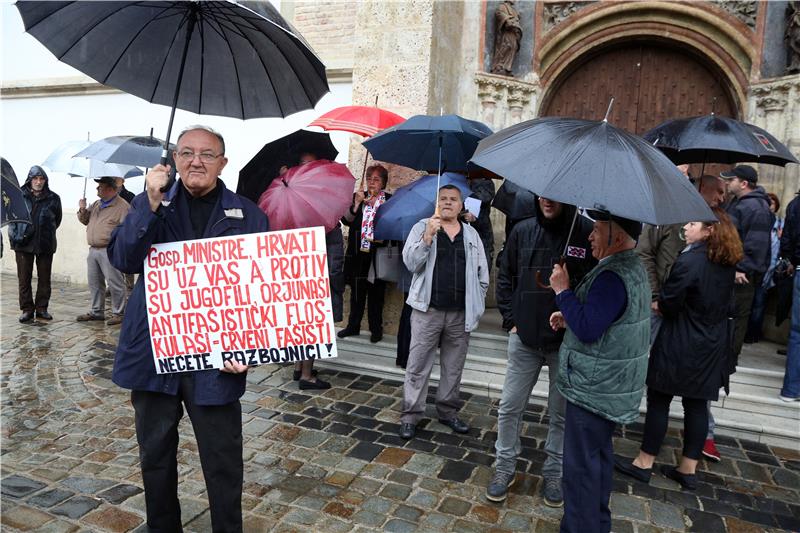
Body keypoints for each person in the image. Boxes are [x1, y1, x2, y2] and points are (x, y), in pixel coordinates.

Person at [108, 125, 267, 532]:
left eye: (207, 154)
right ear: (174, 159)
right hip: (154, 354)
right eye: (187, 152)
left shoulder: (249, 214)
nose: (196, 161)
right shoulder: (153, 204)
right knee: (155, 456)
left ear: (223, 163)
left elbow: (262, 293)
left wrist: (247, 348)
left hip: (216, 360)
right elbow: (125, 257)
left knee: (223, 461)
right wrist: (150, 200)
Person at [615, 208, 742, 490]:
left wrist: (659, 304)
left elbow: (670, 301)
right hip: (711, 344)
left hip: (681, 341)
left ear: (710, 230)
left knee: (659, 399)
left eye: (693, 223)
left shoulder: (691, 261)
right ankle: (688, 469)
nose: (685, 227)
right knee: (696, 405)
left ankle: (644, 463)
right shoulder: (726, 262)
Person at [488, 197, 595, 506]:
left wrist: (575, 313)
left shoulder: (585, 233)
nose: (546, 199)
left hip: (565, 343)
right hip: (524, 339)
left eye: (553, 195)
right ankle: (504, 466)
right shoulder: (523, 230)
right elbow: (505, 275)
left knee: (560, 414)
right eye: (541, 193)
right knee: (510, 406)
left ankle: (554, 471)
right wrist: (511, 319)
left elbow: (592, 286)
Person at [548, 211, 649, 533]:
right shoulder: (632, 268)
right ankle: (596, 525)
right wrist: (570, 315)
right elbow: (608, 321)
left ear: (616, 237)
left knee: (580, 472)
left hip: (593, 389)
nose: (590, 236)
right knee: (598, 464)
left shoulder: (612, 275)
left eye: (597, 230)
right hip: (608, 386)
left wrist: (562, 291)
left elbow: (590, 328)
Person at [398, 184, 489, 439]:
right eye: (443, 199)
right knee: (417, 366)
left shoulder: (472, 235)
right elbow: (411, 263)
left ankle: (448, 412)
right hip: (428, 311)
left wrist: (478, 303)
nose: (448, 203)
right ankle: (410, 415)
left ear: (462, 206)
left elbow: (483, 274)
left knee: (453, 367)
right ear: (437, 203)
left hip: (460, 314)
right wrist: (427, 237)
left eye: (453, 199)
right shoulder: (422, 227)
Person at [721, 165, 775, 360]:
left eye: (731, 180)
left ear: (744, 183)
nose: (726, 183)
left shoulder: (756, 208)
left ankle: (727, 364)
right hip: (728, 271)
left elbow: (756, 246)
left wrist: (740, 269)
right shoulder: (737, 202)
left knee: (734, 322)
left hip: (741, 277)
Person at [338, 164, 391, 343]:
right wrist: (357, 203)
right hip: (358, 253)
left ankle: (376, 329)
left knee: (377, 293)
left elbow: (394, 223)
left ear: (383, 182)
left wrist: (378, 209)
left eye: (376, 179)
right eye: (369, 178)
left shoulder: (389, 200)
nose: (372, 182)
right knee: (357, 291)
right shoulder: (358, 197)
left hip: (378, 254)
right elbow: (346, 220)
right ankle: (353, 326)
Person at [8, 165, 62, 322]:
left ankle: (42, 308)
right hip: (23, 243)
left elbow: (57, 220)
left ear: (45, 181)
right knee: (24, 279)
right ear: (30, 180)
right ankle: (26, 309)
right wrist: (16, 236)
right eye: (35, 178)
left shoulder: (54, 198)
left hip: (45, 243)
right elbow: (12, 219)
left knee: (45, 278)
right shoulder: (18, 196)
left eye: (41, 179)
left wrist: (45, 232)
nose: (38, 182)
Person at [76, 176, 129, 325]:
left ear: (111, 189)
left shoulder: (122, 207)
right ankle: (96, 311)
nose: (97, 189)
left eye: (100, 187)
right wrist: (82, 209)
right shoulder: (97, 204)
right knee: (95, 282)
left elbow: (127, 229)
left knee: (115, 283)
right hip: (93, 250)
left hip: (110, 250)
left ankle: (119, 312)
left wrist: (119, 247)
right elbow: (85, 220)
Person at [745, 192, 783, 343]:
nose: (770, 207)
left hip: (768, 270)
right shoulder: (758, 222)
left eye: (772, 204)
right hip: (754, 268)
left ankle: (753, 333)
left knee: (759, 304)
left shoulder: (780, 225)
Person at [779, 190, 800, 401]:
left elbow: (787, 238)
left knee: (797, 333)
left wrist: (790, 260)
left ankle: (791, 390)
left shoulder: (795, 204)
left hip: (799, 269)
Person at [463, 176, 496, 271]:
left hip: (481, 233)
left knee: (482, 268)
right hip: (462, 232)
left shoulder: (486, 182)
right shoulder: (458, 180)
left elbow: (484, 197)